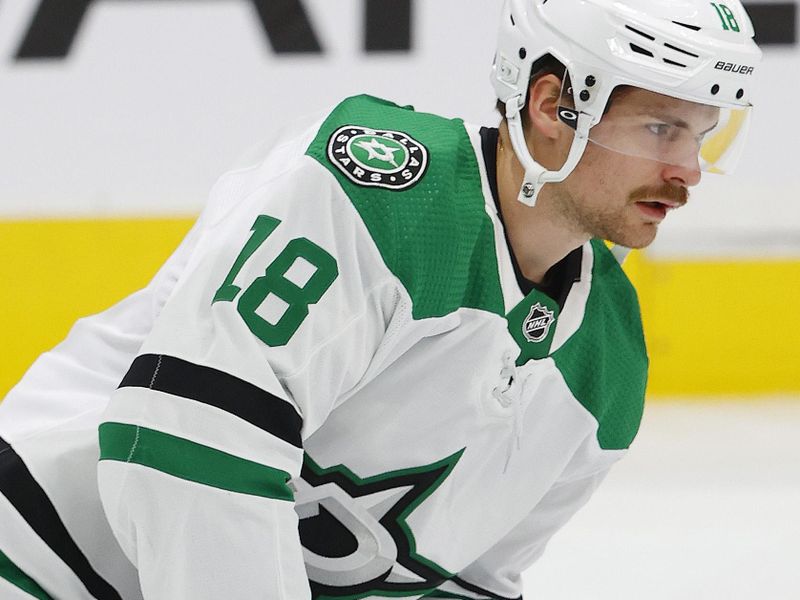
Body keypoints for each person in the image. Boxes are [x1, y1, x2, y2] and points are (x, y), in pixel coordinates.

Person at [0, 0, 761, 598]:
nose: (688, 170)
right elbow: (182, 449)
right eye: (662, 128)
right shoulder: (382, 195)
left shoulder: (607, 361)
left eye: (702, 136)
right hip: (38, 560)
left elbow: (464, 584)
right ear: (552, 104)